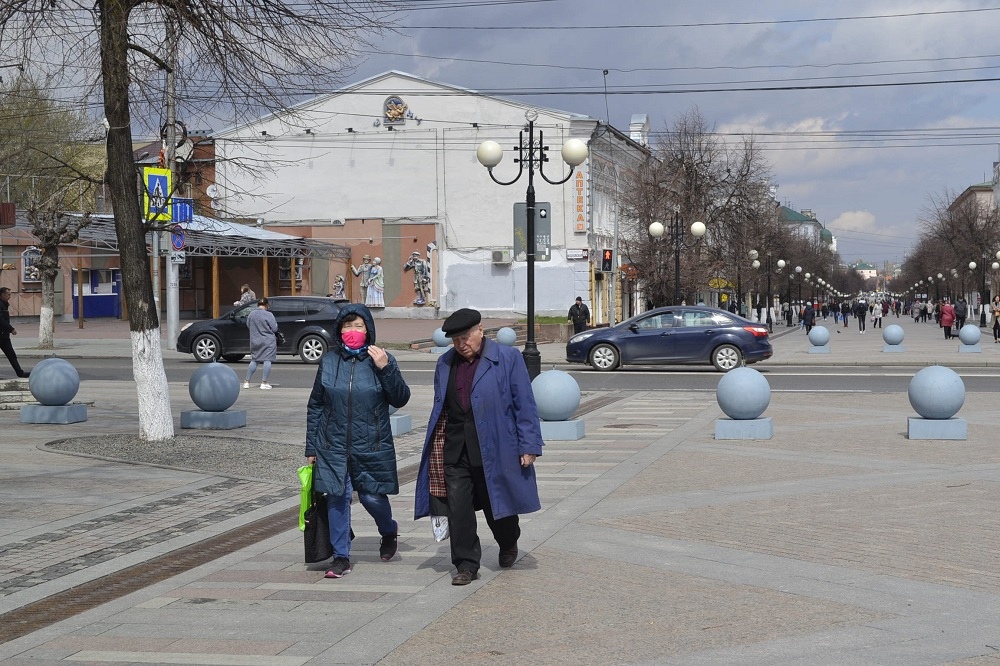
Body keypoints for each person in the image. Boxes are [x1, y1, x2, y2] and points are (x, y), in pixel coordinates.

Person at [414, 308, 543, 586]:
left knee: (498, 506)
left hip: (495, 446)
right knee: (458, 508)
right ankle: (465, 564)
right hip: (456, 448)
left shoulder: (508, 359)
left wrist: (529, 444)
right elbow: (442, 407)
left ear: (480, 330)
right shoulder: (445, 364)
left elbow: (525, 404)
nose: (461, 344)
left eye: (466, 336)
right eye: (455, 339)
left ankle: (508, 541)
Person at [305, 304, 410, 579]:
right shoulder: (329, 361)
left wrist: (385, 368)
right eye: (347, 326)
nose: (352, 331)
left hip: (371, 443)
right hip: (332, 444)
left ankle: (388, 531)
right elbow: (316, 405)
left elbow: (400, 398)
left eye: (358, 326)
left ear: (368, 329)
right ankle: (341, 556)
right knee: (337, 498)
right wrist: (311, 447)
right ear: (339, 331)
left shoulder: (382, 358)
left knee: (372, 497)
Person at [244, 297, 279, 390]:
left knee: (254, 360)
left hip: (255, 340)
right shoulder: (269, 315)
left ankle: (246, 382)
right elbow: (275, 328)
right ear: (267, 305)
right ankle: (264, 382)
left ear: (258, 305)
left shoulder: (251, 314)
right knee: (267, 360)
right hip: (268, 341)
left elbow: (248, 325)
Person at [0, 287, 29, 378]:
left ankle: (20, 373)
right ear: (2, 295)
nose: (10, 296)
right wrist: (11, 329)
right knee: (11, 354)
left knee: (11, 355)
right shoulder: (0, 304)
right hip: (1, 334)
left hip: (4, 336)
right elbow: (1, 320)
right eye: (8, 294)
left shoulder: (4, 304)